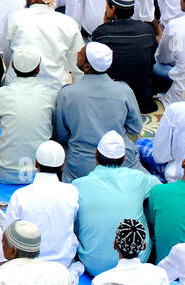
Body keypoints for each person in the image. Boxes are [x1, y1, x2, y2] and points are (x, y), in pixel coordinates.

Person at [52, 43, 144, 182]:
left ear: (87, 67)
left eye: (81, 54)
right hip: (122, 161)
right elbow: (135, 127)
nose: (77, 53)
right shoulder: (124, 91)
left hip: (82, 166)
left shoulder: (67, 94)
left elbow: (61, 135)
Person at [73, 132, 159, 277]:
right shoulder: (138, 179)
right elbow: (160, 188)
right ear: (124, 158)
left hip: (92, 265)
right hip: (138, 260)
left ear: (95, 155)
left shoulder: (77, 185)